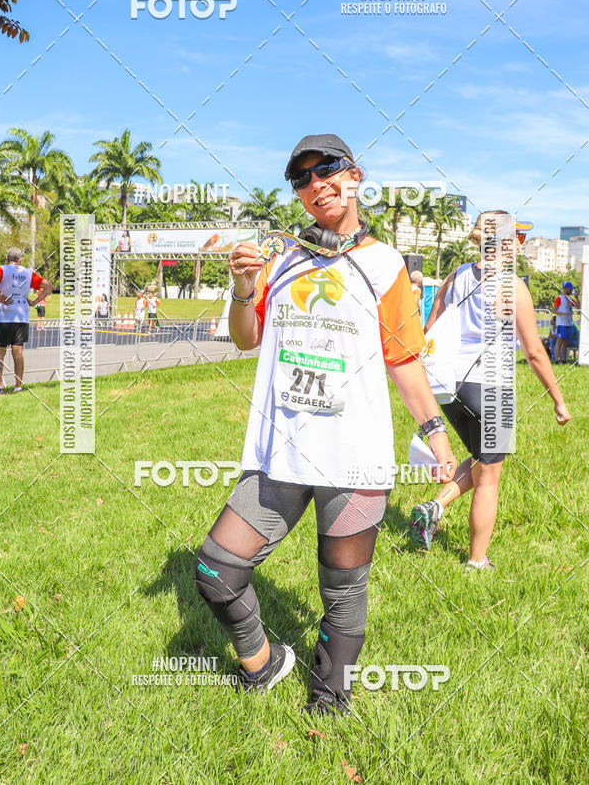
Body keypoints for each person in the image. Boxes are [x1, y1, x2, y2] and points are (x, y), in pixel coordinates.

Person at [195, 133, 456, 714]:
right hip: (279, 455)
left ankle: (328, 702)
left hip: (355, 454)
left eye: (327, 169)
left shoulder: (386, 265)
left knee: (343, 592)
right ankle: (263, 664)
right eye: (302, 178)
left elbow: (404, 359)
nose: (316, 184)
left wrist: (435, 431)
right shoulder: (278, 260)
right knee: (216, 571)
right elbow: (245, 339)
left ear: (354, 174)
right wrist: (242, 288)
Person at [408, 212, 571, 570]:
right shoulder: (514, 287)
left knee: (482, 459)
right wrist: (559, 400)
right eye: (520, 238)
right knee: (490, 481)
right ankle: (476, 562)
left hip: (450, 388)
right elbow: (534, 352)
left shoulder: (455, 276)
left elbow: (428, 332)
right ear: (507, 243)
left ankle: (434, 508)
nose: (522, 245)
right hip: (492, 389)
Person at [0, 247, 53, 393]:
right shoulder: (28, 273)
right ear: (20, 260)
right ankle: (18, 387)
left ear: (6, 257)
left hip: (3, 316)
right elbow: (49, 287)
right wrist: (35, 301)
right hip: (21, 317)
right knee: (18, 353)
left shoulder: (2, 269)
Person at [553, 281, 576, 364]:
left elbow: (578, 305)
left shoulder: (570, 299)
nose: (571, 291)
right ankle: (556, 360)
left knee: (565, 343)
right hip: (561, 324)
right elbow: (554, 310)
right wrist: (564, 314)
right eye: (570, 289)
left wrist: (577, 297)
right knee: (559, 342)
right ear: (565, 289)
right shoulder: (559, 298)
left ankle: (564, 360)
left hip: (568, 323)